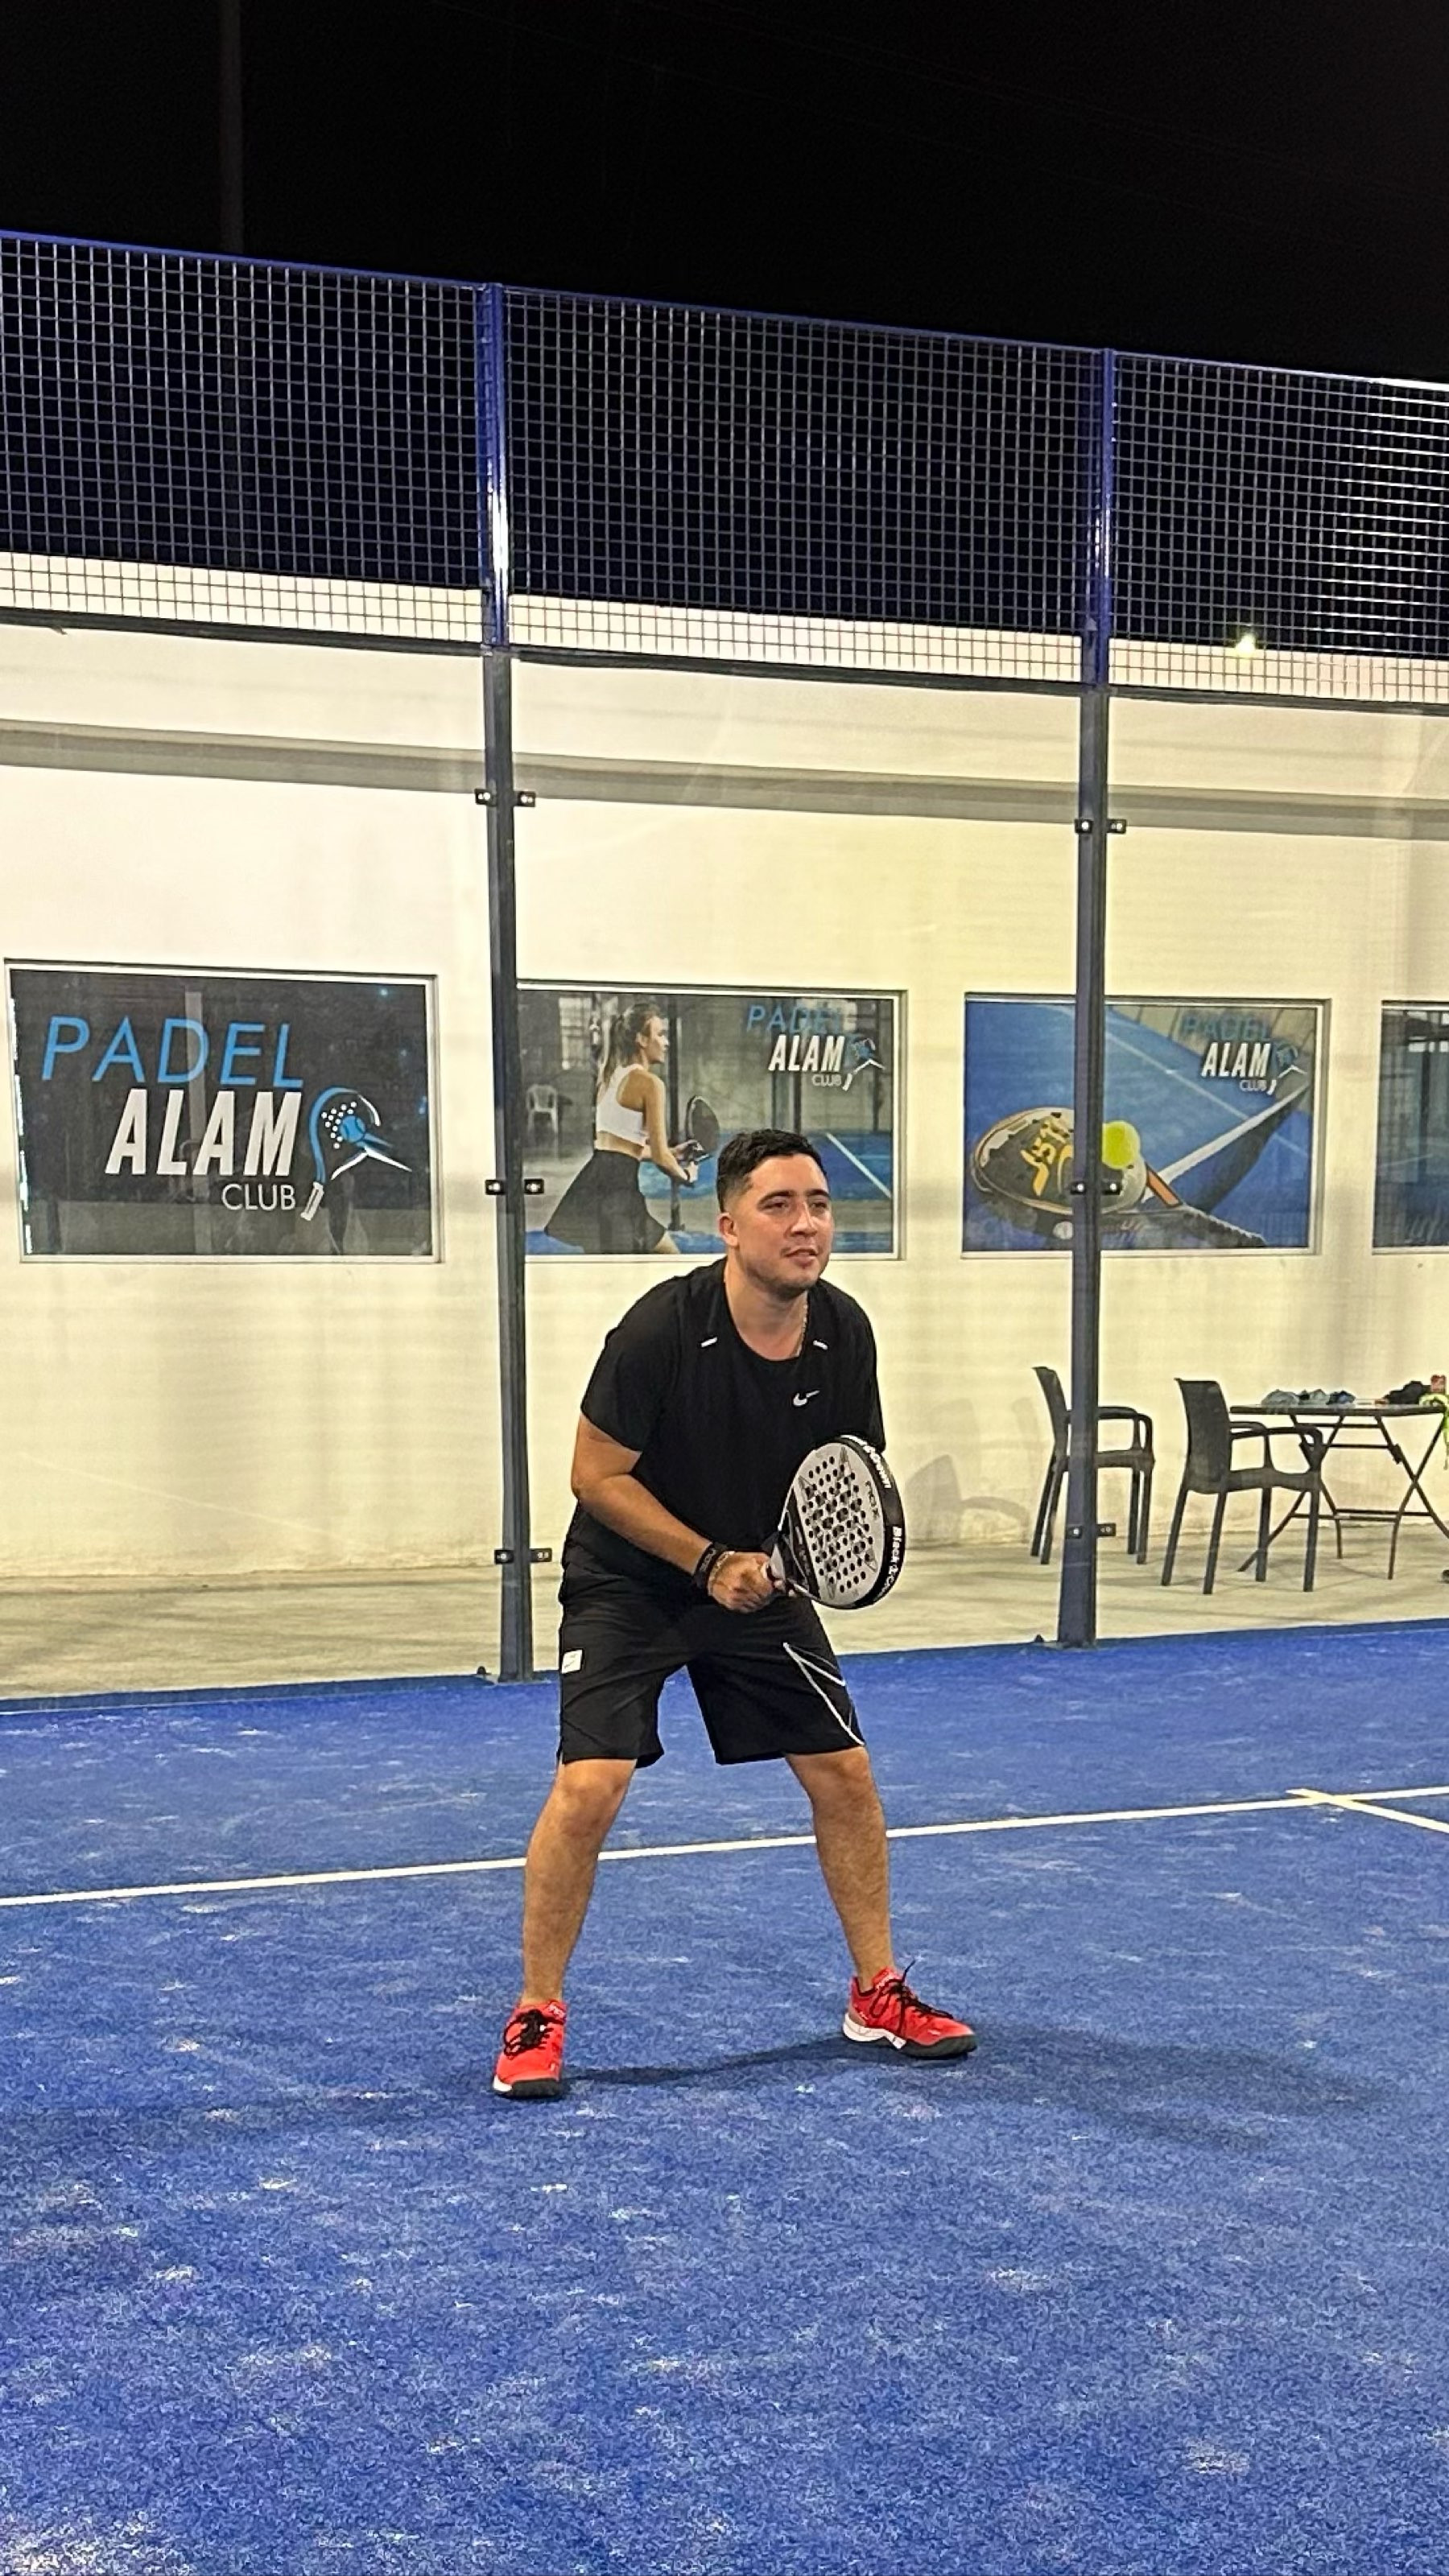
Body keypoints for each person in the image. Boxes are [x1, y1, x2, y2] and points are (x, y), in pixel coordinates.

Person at [493, 1127, 976, 2098]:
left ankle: (877, 1992)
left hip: (757, 1581)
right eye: (779, 1205)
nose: (806, 1226)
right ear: (728, 1227)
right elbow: (594, 1477)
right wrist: (706, 1562)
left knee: (845, 1774)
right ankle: (536, 2012)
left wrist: (775, 1568)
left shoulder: (843, 1332)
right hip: (631, 1583)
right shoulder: (660, 1330)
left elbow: (842, 1480)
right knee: (591, 1787)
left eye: (819, 1205)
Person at [547, 1000, 697, 1254]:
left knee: (609, 1268)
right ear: (641, 1039)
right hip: (619, 1191)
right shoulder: (650, 1084)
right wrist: (687, 1177)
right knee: (671, 1257)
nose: (666, 1042)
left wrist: (673, 1152)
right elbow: (660, 1158)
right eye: (660, 1034)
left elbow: (617, 1148)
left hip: (593, 1182)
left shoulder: (608, 1079)